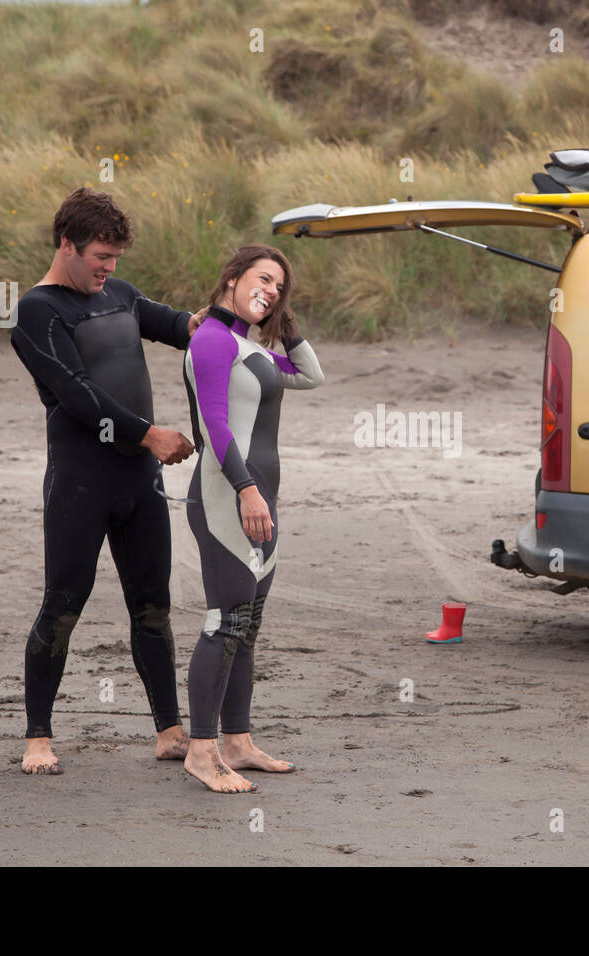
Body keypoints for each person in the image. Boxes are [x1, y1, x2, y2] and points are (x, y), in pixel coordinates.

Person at [9, 187, 207, 775]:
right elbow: (77, 394)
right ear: (67, 244)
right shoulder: (36, 312)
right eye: (101, 255)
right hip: (80, 484)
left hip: (139, 484)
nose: (110, 268)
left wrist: (227, 310)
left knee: (153, 607)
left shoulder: (117, 294)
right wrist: (149, 434)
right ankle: (38, 738)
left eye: (117, 257)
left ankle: (169, 731)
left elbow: (178, 327)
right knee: (62, 607)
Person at [181, 244, 323, 793]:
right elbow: (216, 427)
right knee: (225, 620)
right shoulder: (212, 341)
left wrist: (281, 318)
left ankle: (237, 742)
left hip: (260, 499)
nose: (270, 290)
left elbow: (311, 375)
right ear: (233, 276)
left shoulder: (246, 345)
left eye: (280, 287)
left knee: (248, 624)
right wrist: (246, 490)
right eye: (263, 279)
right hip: (228, 498)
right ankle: (201, 750)